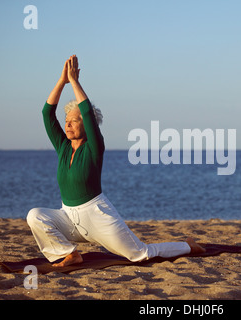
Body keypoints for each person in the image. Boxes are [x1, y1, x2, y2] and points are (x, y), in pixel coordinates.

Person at [27, 55, 205, 267]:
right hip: (68, 217)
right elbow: (47, 113)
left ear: (86, 125)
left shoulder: (94, 147)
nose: (68, 124)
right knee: (35, 215)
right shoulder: (63, 147)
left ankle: (188, 246)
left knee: (139, 253)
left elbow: (87, 112)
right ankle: (69, 254)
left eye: (74, 121)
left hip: (97, 216)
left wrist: (74, 81)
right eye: (66, 121)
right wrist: (62, 80)